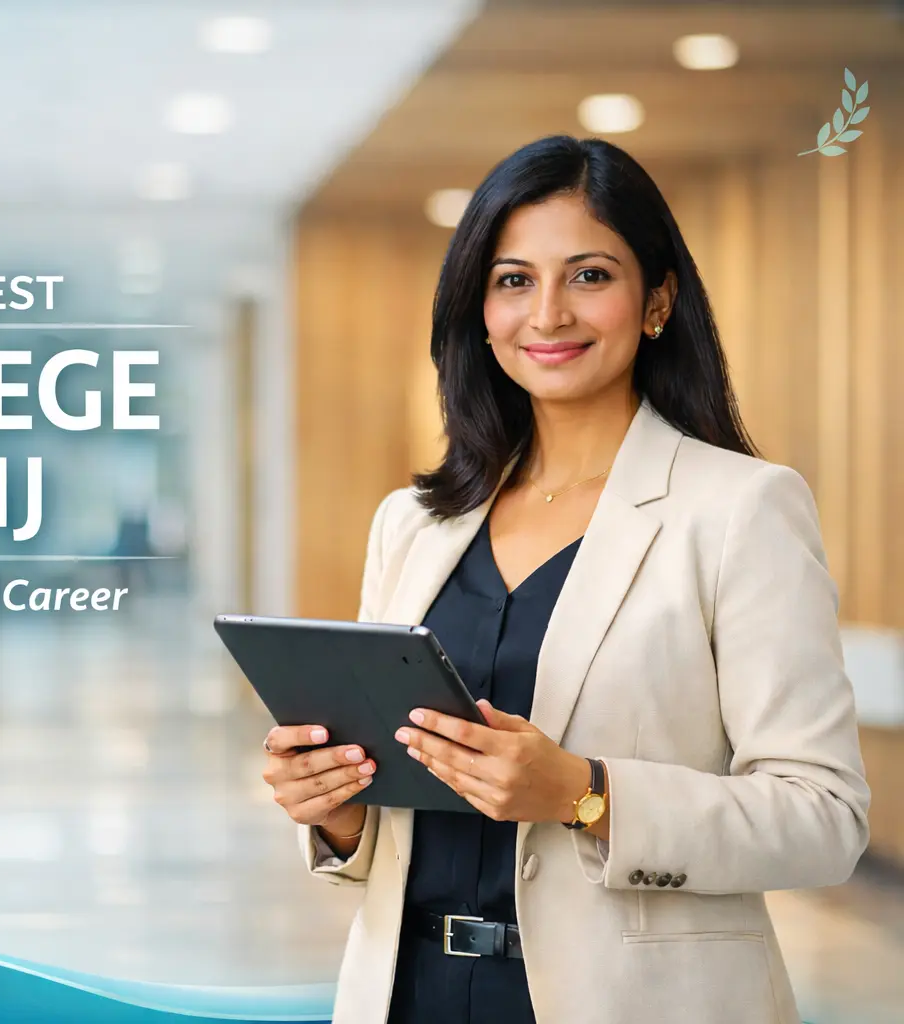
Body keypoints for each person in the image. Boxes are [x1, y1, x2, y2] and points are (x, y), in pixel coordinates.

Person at [260, 135, 869, 1024]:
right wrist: (335, 810)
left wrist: (586, 794)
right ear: (478, 308)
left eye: (588, 275)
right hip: (409, 995)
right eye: (513, 280)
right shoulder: (415, 523)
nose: (547, 314)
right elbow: (390, 818)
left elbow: (823, 819)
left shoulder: (741, 509)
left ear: (656, 299)